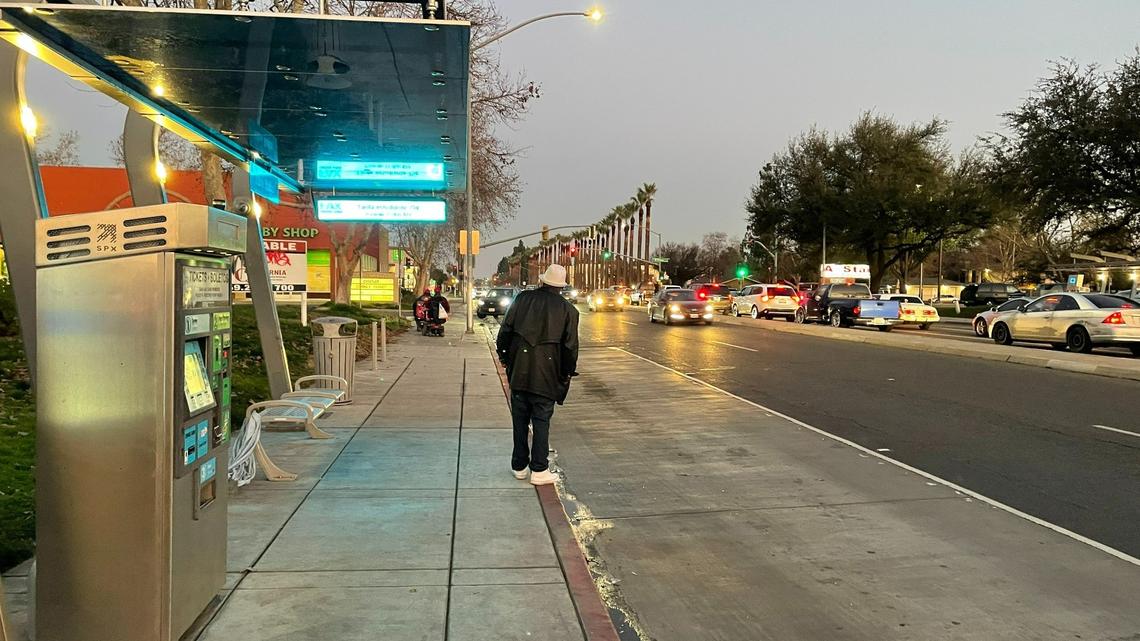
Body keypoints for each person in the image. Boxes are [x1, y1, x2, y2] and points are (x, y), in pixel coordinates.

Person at [496, 264, 579, 485]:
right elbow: (570, 349)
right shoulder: (569, 311)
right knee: (541, 421)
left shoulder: (522, 300)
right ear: (561, 287)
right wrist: (566, 374)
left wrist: (506, 360)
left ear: (543, 281)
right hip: (547, 375)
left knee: (519, 420)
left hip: (520, 371)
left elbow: (504, 332)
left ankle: (519, 465)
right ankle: (539, 469)